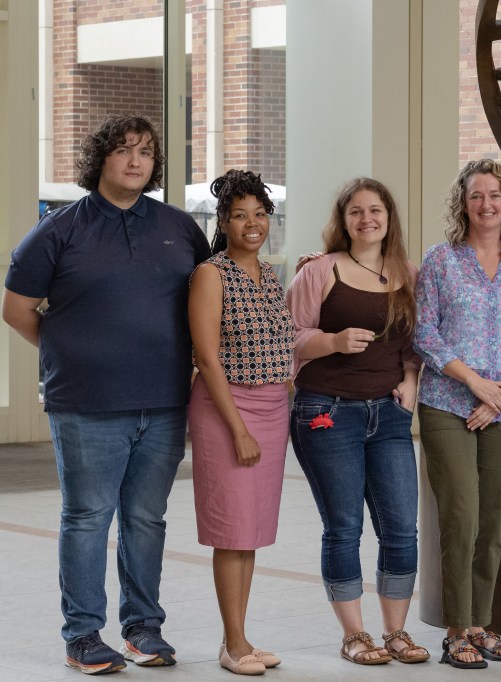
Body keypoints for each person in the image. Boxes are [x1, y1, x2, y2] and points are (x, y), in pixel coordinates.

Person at [1, 114, 210, 674]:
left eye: (145, 151)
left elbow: (212, 296)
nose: (136, 160)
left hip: (163, 402)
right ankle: (83, 636)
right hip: (85, 405)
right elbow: (16, 309)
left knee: (147, 519)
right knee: (89, 517)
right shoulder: (59, 230)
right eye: (123, 150)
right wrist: (69, 348)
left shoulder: (179, 228)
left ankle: (144, 630)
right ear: (101, 160)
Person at [286, 178, 429, 666]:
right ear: (342, 220)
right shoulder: (321, 270)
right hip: (327, 411)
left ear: (389, 218)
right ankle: (354, 635)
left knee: (400, 529)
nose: (367, 219)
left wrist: (411, 379)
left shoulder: (407, 272)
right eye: (356, 212)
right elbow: (291, 335)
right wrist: (332, 341)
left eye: (376, 210)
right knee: (344, 527)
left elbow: (413, 343)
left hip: (388, 416)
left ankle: (396, 633)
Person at [414, 159, 501, 669]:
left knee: (491, 521)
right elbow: (425, 333)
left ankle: (482, 624)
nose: (486, 204)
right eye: (476, 196)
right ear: (462, 204)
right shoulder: (441, 260)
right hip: (448, 402)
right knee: (461, 518)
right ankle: (454, 631)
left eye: (494, 195)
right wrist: (476, 385)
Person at [188, 170, 293, 676]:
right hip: (229, 411)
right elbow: (207, 359)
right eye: (239, 215)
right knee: (232, 531)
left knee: (249, 531)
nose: (252, 223)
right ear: (223, 222)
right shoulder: (211, 273)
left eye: (259, 213)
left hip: (272, 411)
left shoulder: (270, 275)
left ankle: (241, 637)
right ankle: (232, 646)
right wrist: (238, 430)